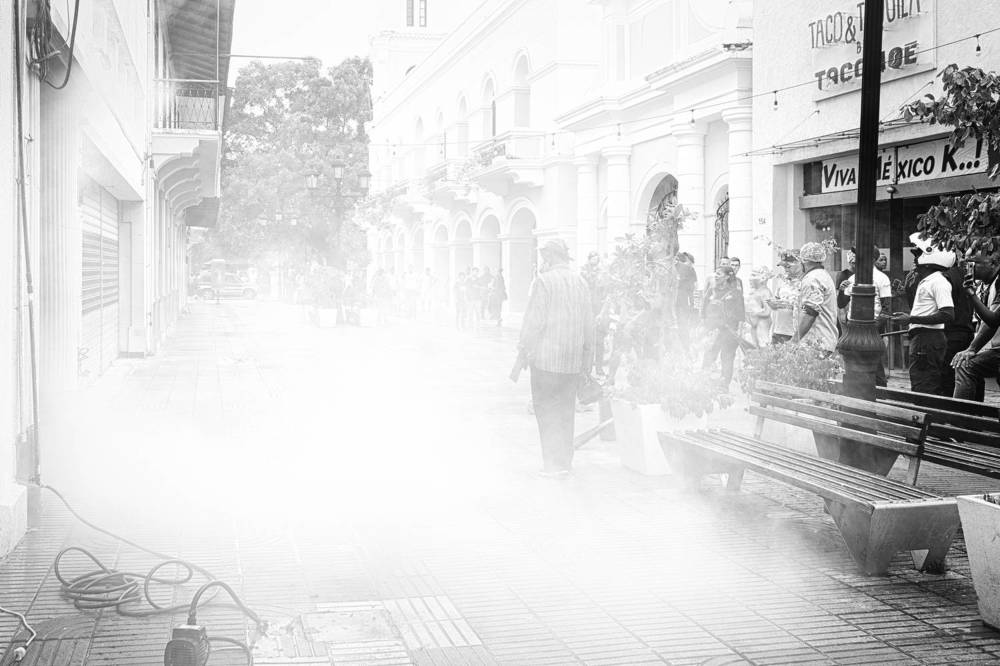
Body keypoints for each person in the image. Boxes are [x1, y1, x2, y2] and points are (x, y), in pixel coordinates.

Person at [518, 239, 594, 478]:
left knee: (547, 411)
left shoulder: (543, 281)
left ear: (549, 257)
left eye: (544, 257)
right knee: (565, 412)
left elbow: (534, 322)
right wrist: (587, 360)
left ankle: (552, 464)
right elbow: (588, 324)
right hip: (572, 362)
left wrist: (524, 348)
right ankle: (565, 463)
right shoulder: (581, 282)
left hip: (546, 361)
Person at [890, 233, 956, 395]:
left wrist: (911, 319)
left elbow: (948, 314)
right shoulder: (929, 280)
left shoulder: (938, 281)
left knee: (925, 385)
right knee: (921, 383)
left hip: (927, 340)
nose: (915, 259)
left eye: (918, 254)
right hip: (924, 338)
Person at [840, 245, 893, 386]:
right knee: (854, 364)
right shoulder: (851, 278)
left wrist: (874, 328)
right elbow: (841, 303)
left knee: (874, 363)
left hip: (873, 327)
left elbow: (887, 308)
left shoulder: (882, 278)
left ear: (871, 259)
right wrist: (841, 290)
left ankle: (880, 395)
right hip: (853, 327)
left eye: (861, 255)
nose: (857, 259)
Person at [952, 250, 1000, 401]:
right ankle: (973, 416)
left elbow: (993, 320)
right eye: (968, 263)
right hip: (994, 346)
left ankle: (960, 419)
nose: (970, 267)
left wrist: (972, 349)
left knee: (965, 366)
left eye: (974, 263)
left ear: (993, 264)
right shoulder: (983, 285)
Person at [701, 265, 745, 388]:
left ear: (727, 277)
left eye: (719, 273)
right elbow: (703, 309)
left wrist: (739, 332)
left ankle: (723, 385)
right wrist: (704, 326)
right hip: (712, 330)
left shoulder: (735, 293)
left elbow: (741, 314)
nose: (715, 275)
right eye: (715, 272)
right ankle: (704, 382)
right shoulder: (711, 290)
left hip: (729, 331)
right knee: (709, 355)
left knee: (726, 357)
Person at [794, 242, 839, 353]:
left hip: (815, 342)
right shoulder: (822, 275)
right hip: (824, 340)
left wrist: (794, 340)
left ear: (804, 261)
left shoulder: (812, 279)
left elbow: (810, 312)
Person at [581, 252, 609, 375]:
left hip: (600, 312)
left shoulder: (602, 275)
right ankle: (587, 369)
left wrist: (602, 313)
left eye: (596, 259)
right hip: (587, 312)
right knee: (588, 342)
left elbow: (606, 294)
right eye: (592, 258)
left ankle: (599, 368)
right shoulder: (583, 273)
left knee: (600, 342)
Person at [768, 252, 802, 344]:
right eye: (784, 267)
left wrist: (792, 304)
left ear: (799, 264)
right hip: (778, 330)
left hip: (794, 333)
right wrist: (773, 304)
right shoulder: (782, 281)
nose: (785, 270)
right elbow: (777, 300)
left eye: (788, 266)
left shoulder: (805, 282)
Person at [745, 266, 773, 348]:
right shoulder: (754, 292)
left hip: (761, 324)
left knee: (762, 345)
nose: (750, 278)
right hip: (753, 324)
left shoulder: (765, 292)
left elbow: (767, 311)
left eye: (753, 275)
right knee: (752, 346)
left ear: (763, 278)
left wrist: (754, 313)